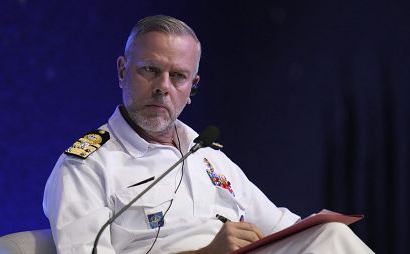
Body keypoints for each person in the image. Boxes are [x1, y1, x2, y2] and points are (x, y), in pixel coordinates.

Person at [43, 15, 374, 254]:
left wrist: (314, 227)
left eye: (178, 77)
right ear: (121, 71)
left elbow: (281, 227)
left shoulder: (207, 155)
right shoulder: (86, 166)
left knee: (329, 234)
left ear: (192, 88)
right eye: (150, 70)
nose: (163, 87)